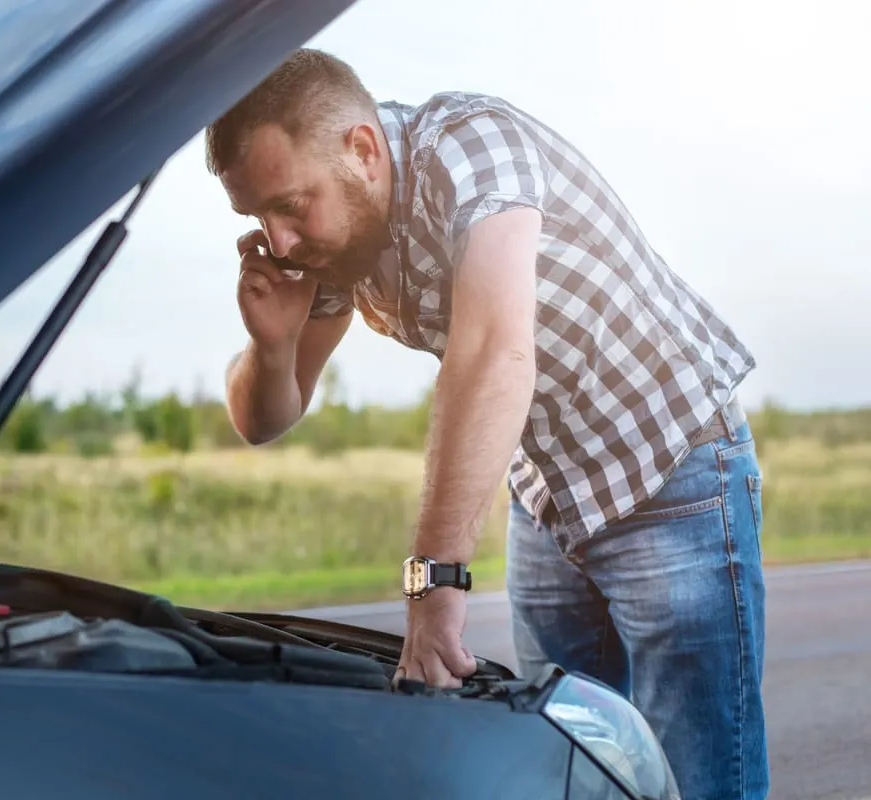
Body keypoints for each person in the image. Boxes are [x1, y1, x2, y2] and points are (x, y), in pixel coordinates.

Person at [205, 48, 768, 799]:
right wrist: (271, 347)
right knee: (567, 767)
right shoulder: (337, 239)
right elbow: (263, 419)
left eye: (290, 204)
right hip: (549, 495)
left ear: (362, 151)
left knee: (701, 781)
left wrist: (433, 584)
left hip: (669, 472)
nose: (278, 241)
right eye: (257, 218)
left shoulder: (471, 144)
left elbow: (495, 353)